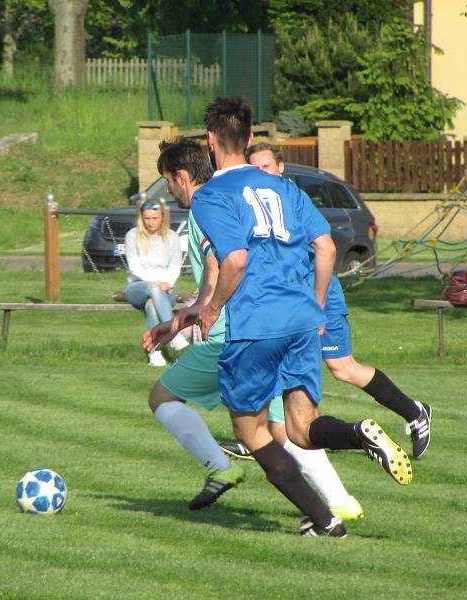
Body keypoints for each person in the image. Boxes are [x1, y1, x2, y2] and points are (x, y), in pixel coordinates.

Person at [148, 97, 411, 539]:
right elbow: (326, 248)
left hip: (256, 326)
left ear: (211, 141)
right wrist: (317, 303)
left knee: (252, 432)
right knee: (302, 430)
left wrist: (209, 310)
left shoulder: (211, 195)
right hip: (303, 320)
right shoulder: (286, 188)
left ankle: (326, 520)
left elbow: (232, 260)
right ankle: (358, 434)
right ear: (250, 139)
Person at [145, 139, 362, 521]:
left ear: (182, 177)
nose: (169, 191)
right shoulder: (236, 199)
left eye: (168, 182)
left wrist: (205, 310)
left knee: (168, 399)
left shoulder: (205, 206)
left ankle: (223, 467)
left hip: (236, 336)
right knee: (286, 429)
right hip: (274, 326)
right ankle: (341, 501)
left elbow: (219, 262)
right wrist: (186, 315)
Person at [238, 143, 432, 459]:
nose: (260, 173)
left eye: (266, 167)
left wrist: (316, 306)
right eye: (254, 168)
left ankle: (414, 411)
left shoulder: (292, 200)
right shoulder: (259, 203)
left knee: (342, 368)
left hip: (319, 298)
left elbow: (324, 249)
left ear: (281, 167)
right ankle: (257, 435)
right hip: (291, 303)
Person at [124, 196, 188, 366]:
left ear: (162, 218)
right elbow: (135, 267)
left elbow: (175, 267)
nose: (150, 222)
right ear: (141, 218)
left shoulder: (172, 237)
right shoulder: (132, 236)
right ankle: (174, 333)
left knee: (152, 304)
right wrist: (157, 284)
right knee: (152, 287)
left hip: (166, 289)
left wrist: (165, 284)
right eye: (147, 218)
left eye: (154, 218)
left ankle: (154, 352)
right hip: (138, 287)